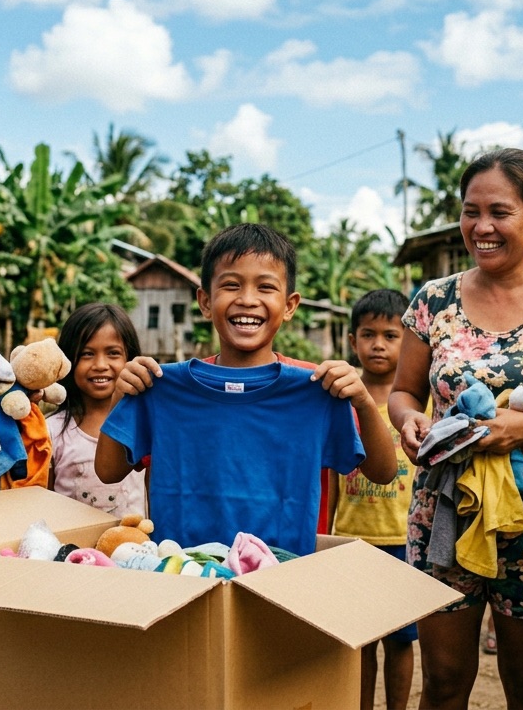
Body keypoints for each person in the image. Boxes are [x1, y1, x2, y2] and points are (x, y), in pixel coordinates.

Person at [389, 147, 523, 710]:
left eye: (499, 212)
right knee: (441, 683)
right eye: (470, 211)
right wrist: (410, 421)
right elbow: (403, 392)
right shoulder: (432, 301)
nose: (481, 227)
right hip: (443, 514)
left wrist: (518, 431)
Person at [95, 223, 397, 556]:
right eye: (231, 285)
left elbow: (382, 472)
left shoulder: (316, 387)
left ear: (290, 305)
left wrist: (365, 404)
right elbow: (108, 472)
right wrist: (120, 397)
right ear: (205, 301)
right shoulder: (163, 388)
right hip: (185, 572)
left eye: (265, 287)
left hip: (284, 575)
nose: (247, 300)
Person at [329, 288, 417, 710]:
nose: (378, 344)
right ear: (352, 342)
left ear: (409, 341)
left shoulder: (421, 405)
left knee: (401, 641)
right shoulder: (339, 401)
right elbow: (327, 476)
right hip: (351, 539)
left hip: (404, 539)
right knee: (360, 642)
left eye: (390, 335)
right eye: (368, 335)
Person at [48, 303, 146, 518]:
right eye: (86, 354)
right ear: (67, 361)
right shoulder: (52, 432)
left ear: (130, 358)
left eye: (113, 353)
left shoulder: (146, 425)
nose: (100, 364)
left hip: (138, 547)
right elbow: (42, 501)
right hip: (73, 549)